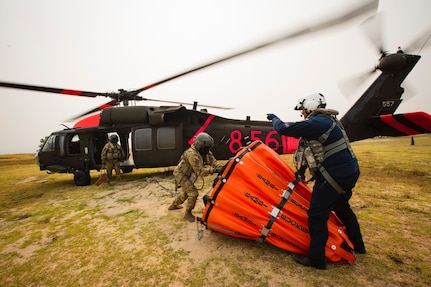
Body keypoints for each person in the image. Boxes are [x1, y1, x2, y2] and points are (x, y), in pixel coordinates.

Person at [267, 93, 366, 270]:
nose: (303, 114)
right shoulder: (329, 121)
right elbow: (308, 151)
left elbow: (282, 129)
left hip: (335, 176)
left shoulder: (317, 123)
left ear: (311, 106)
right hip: (348, 172)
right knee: (343, 208)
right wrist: (302, 172)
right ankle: (359, 245)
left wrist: (274, 118)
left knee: (316, 216)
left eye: (303, 110)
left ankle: (316, 260)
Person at [168, 132, 222, 222]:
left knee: (186, 192)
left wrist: (219, 168)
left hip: (190, 174)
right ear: (200, 146)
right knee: (193, 193)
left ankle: (174, 205)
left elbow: (213, 161)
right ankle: (187, 213)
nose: (208, 150)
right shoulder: (192, 154)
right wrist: (214, 171)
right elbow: (200, 171)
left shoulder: (204, 151)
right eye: (206, 148)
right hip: (181, 174)